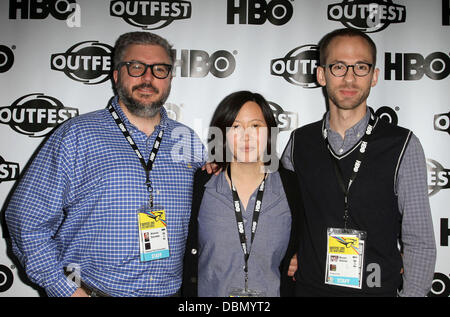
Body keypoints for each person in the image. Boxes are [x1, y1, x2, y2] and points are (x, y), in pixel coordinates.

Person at [5, 31, 206, 297]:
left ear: (169, 78)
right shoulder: (77, 135)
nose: (148, 77)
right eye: (136, 67)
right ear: (116, 75)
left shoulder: (188, 141)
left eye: (159, 69)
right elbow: (25, 220)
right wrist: (65, 290)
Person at [281, 28, 436, 297]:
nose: (350, 78)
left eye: (361, 67)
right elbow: (279, 214)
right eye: (338, 66)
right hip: (309, 290)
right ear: (321, 74)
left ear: (374, 76)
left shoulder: (402, 145)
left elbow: (419, 241)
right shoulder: (299, 142)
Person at [182, 91, 301, 297]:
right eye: (236, 127)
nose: (247, 136)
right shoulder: (200, 185)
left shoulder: (292, 187)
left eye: (256, 126)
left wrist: (303, 256)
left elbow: (312, 236)